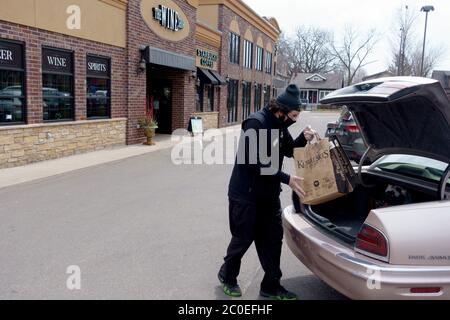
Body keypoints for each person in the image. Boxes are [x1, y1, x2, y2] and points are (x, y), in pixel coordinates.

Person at [218, 84, 316, 300]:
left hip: (268, 196)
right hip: (245, 194)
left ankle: (271, 286)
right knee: (243, 238)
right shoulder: (256, 123)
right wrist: (287, 178)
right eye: (293, 115)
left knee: (273, 240)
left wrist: (303, 138)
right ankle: (227, 276)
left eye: (297, 116)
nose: (294, 119)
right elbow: (255, 162)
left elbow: (289, 150)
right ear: (280, 110)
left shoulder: (280, 125)